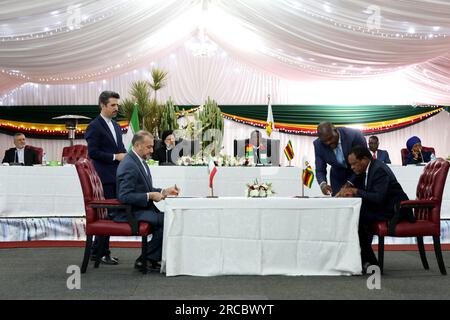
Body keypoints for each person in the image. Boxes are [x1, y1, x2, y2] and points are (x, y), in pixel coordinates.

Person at [337, 145, 414, 273]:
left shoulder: (379, 170)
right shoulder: (369, 168)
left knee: (359, 218)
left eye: (354, 164)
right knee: (357, 215)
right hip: (385, 206)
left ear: (364, 159)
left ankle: (370, 263)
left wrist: (355, 191)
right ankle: (364, 260)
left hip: (396, 210)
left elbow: (378, 198)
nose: (352, 168)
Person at [115, 130, 180, 271]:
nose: (152, 150)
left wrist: (164, 191)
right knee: (170, 220)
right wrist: (150, 196)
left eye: (152, 147)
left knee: (169, 219)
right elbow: (124, 196)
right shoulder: (129, 165)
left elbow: (145, 188)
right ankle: (146, 258)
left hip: (141, 209)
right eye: (149, 147)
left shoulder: (138, 160)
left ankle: (150, 258)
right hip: (131, 212)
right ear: (137, 146)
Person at [85, 90, 127, 265]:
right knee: (106, 215)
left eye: (117, 104)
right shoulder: (94, 126)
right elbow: (93, 152)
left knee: (110, 215)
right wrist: (115, 157)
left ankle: (100, 252)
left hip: (116, 175)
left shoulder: (116, 126)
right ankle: (100, 252)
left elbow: (121, 148)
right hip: (103, 176)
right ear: (102, 105)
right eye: (113, 105)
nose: (116, 108)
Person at [313, 122, 367, 196]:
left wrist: (350, 182)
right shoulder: (318, 144)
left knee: (360, 204)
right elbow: (320, 169)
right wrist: (323, 184)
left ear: (335, 131)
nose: (328, 142)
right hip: (337, 179)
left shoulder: (354, 135)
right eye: (324, 141)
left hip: (357, 176)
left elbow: (363, 162)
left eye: (330, 138)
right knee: (339, 205)